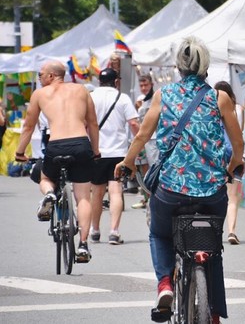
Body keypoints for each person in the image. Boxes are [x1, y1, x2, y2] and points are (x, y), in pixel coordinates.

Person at [115, 37, 244, 321]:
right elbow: (238, 143)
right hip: (211, 192)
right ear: (205, 66)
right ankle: (214, 313)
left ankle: (164, 285)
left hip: (171, 190)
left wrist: (127, 163)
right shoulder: (219, 97)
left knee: (159, 234)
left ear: (178, 66)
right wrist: (233, 166)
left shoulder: (164, 95)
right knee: (213, 245)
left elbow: (142, 135)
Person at [15, 60, 100, 263]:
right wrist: (95, 150)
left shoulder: (39, 95)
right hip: (81, 144)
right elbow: (92, 123)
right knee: (83, 198)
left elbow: (28, 126)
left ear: (51, 76)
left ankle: (50, 194)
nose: (39, 78)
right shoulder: (81, 90)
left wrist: (19, 152)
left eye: (40, 74)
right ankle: (83, 245)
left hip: (57, 145)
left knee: (45, 177)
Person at [89, 68, 139, 245]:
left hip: (96, 151)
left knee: (96, 193)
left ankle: (94, 230)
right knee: (116, 191)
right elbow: (133, 122)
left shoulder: (91, 97)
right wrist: (139, 141)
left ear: (99, 81)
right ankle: (114, 232)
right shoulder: (122, 98)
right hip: (118, 152)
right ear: (116, 81)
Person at [214, 81, 245, 245]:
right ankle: (232, 231)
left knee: (216, 195)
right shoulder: (239, 109)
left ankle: (215, 230)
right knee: (233, 198)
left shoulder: (211, 109)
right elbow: (239, 135)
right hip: (235, 155)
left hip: (217, 155)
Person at [132, 74, 156, 209]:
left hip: (153, 139)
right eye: (141, 85)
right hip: (144, 139)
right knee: (143, 169)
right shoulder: (142, 100)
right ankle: (147, 198)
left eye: (146, 85)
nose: (143, 88)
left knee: (152, 169)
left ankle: (152, 197)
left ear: (151, 84)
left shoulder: (156, 99)